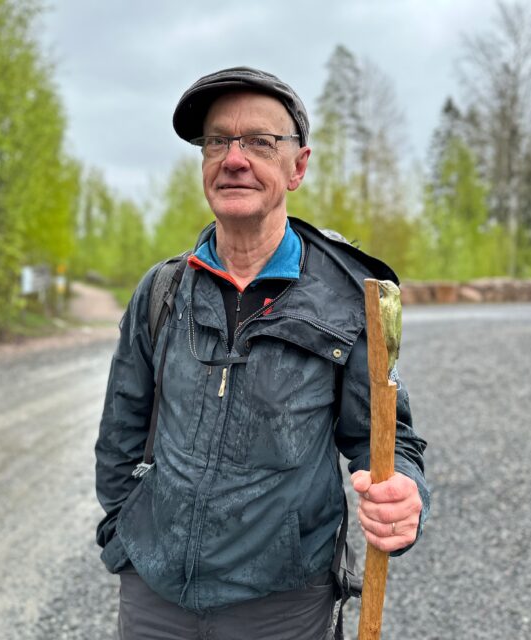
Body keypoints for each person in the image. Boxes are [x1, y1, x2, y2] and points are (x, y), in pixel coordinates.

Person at [95, 66, 429, 640]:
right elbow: (120, 429)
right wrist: (124, 535)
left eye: (259, 142)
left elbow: (384, 438)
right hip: (156, 598)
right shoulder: (163, 289)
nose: (234, 158)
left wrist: (403, 489)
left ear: (297, 166)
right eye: (217, 141)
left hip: (281, 603)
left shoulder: (353, 297)